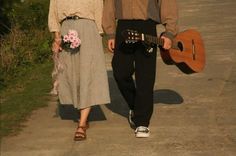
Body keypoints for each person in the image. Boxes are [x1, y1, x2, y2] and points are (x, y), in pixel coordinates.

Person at [102, 0, 178, 138]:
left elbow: (167, 3)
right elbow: (109, 5)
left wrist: (169, 32)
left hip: (147, 26)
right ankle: (135, 106)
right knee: (120, 71)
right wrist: (110, 33)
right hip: (123, 27)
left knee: (145, 76)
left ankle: (142, 122)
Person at [48, 0, 110, 141]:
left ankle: (81, 124)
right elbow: (53, 13)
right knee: (71, 74)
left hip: (88, 29)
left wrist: (99, 35)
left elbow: (99, 10)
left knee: (87, 73)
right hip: (66, 28)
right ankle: (82, 111)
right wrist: (57, 38)